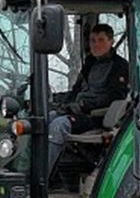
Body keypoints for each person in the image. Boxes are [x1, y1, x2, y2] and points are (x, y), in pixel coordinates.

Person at [47, 23, 129, 177]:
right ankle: (28, 172)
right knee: (44, 118)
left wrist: (84, 105)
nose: (96, 44)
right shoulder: (90, 63)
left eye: (101, 40)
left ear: (111, 41)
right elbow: (76, 90)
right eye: (93, 40)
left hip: (96, 117)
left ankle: (42, 179)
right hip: (79, 112)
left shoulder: (120, 66)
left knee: (59, 125)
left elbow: (114, 97)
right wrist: (59, 102)